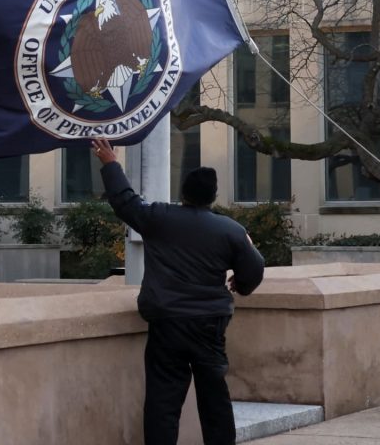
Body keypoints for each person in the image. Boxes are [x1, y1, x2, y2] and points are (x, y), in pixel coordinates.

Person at [91, 138, 265, 445]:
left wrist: (111, 163)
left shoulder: (160, 218)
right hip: (209, 324)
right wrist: (241, 283)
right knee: (215, 398)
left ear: (183, 193)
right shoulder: (231, 231)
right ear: (213, 197)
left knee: (163, 399)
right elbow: (254, 269)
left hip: (167, 321)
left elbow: (125, 201)